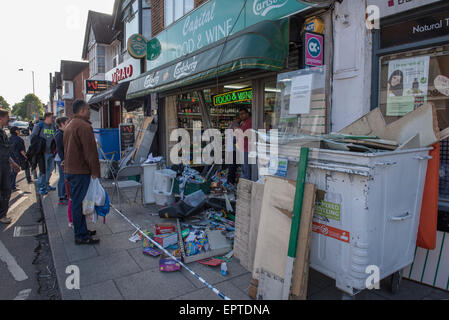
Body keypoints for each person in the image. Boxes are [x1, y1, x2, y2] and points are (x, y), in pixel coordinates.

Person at [63, 100, 100, 245]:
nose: (90, 111)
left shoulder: (70, 125)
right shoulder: (84, 126)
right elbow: (90, 152)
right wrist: (95, 171)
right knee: (78, 204)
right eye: (89, 109)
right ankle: (81, 235)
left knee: (78, 202)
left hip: (71, 170)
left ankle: (82, 231)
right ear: (83, 110)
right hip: (79, 171)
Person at [0, 109, 20, 225]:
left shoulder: (3, 132)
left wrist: (13, 163)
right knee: (4, 190)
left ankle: (3, 215)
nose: (9, 119)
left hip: (4, 165)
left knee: (6, 189)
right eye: (7, 117)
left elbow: (5, 151)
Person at [31, 113, 57, 195]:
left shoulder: (53, 126)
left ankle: (46, 185)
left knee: (50, 170)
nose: (52, 119)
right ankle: (40, 187)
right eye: (51, 118)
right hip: (42, 153)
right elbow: (32, 137)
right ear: (46, 118)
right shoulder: (39, 125)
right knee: (43, 171)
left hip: (51, 152)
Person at [9, 126, 32, 191]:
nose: (19, 132)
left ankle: (12, 184)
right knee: (16, 171)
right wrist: (26, 156)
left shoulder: (8, 139)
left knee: (12, 172)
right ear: (16, 131)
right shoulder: (19, 139)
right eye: (18, 130)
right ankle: (12, 186)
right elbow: (22, 151)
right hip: (18, 158)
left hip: (10, 158)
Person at [237, 108, 255, 181]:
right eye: (240, 114)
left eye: (243, 113)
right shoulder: (243, 122)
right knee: (244, 168)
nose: (241, 116)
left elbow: (249, 135)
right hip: (243, 148)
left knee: (246, 168)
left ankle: (247, 185)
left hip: (248, 149)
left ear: (248, 113)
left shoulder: (250, 122)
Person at [54, 117, 69, 205]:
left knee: (65, 177)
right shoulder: (59, 134)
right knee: (63, 177)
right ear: (62, 124)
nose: (69, 124)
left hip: (63, 158)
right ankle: (61, 196)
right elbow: (60, 148)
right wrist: (64, 160)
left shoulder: (62, 133)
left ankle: (65, 194)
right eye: (67, 122)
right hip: (61, 159)